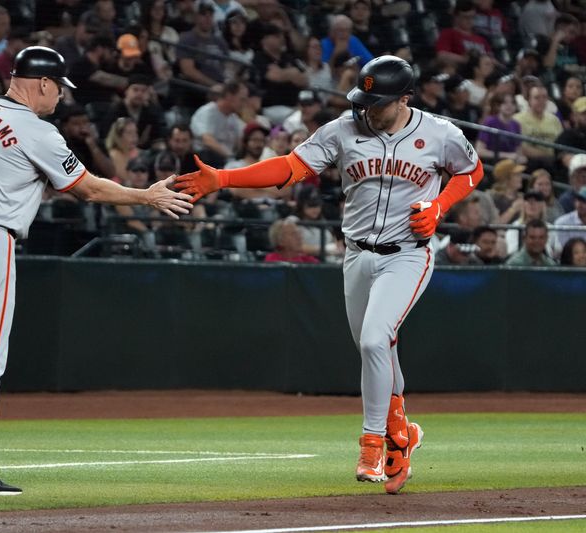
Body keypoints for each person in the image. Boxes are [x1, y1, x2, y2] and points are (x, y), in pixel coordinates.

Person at [174, 55, 483, 495]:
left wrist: (438, 207)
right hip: (356, 255)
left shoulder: (439, 134)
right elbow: (289, 167)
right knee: (377, 349)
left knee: (376, 339)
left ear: (405, 99)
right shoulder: (343, 129)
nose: (368, 107)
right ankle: (402, 434)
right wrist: (223, 178)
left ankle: (372, 442)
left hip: (408, 256)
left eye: (378, 101)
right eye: (365, 98)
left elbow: (472, 172)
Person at [0, 46, 192, 496]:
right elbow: (87, 189)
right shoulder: (36, 130)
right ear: (43, 83)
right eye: (60, 88)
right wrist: (147, 196)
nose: (62, 97)